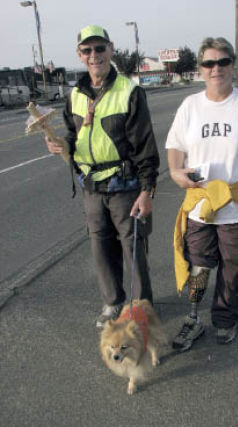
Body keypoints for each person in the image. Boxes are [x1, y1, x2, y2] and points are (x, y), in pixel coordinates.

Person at [166, 37, 238, 352]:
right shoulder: (190, 106)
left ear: (232, 65)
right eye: (209, 63)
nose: (215, 68)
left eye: (222, 62)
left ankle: (226, 317)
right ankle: (193, 318)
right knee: (199, 265)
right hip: (201, 204)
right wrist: (178, 174)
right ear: (200, 69)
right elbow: (175, 149)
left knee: (234, 268)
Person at [45, 25, 159, 328]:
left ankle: (141, 310)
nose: (93, 55)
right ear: (79, 55)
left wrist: (147, 190)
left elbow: (145, 145)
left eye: (99, 48)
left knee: (133, 250)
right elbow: (73, 136)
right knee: (100, 247)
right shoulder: (75, 95)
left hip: (125, 187)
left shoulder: (129, 91)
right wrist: (62, 145)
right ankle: (112, 303)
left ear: (110, 49)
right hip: (91, 187)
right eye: (87, 50)